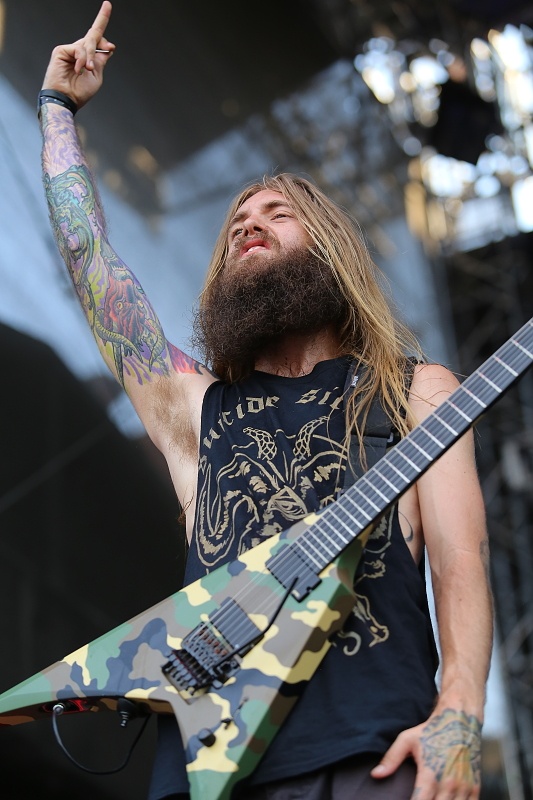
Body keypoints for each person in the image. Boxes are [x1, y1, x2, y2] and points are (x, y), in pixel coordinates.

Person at [38, 2, 493, 798]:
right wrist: (56, 111)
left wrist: (457, 710)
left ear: (333, 252)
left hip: (374, 759)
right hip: (211, 779)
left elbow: (461, 561)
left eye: (278, 216)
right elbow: (90, 260)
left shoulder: (415, 391)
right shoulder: (194, 409)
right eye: (237, 225)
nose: (250, 226)